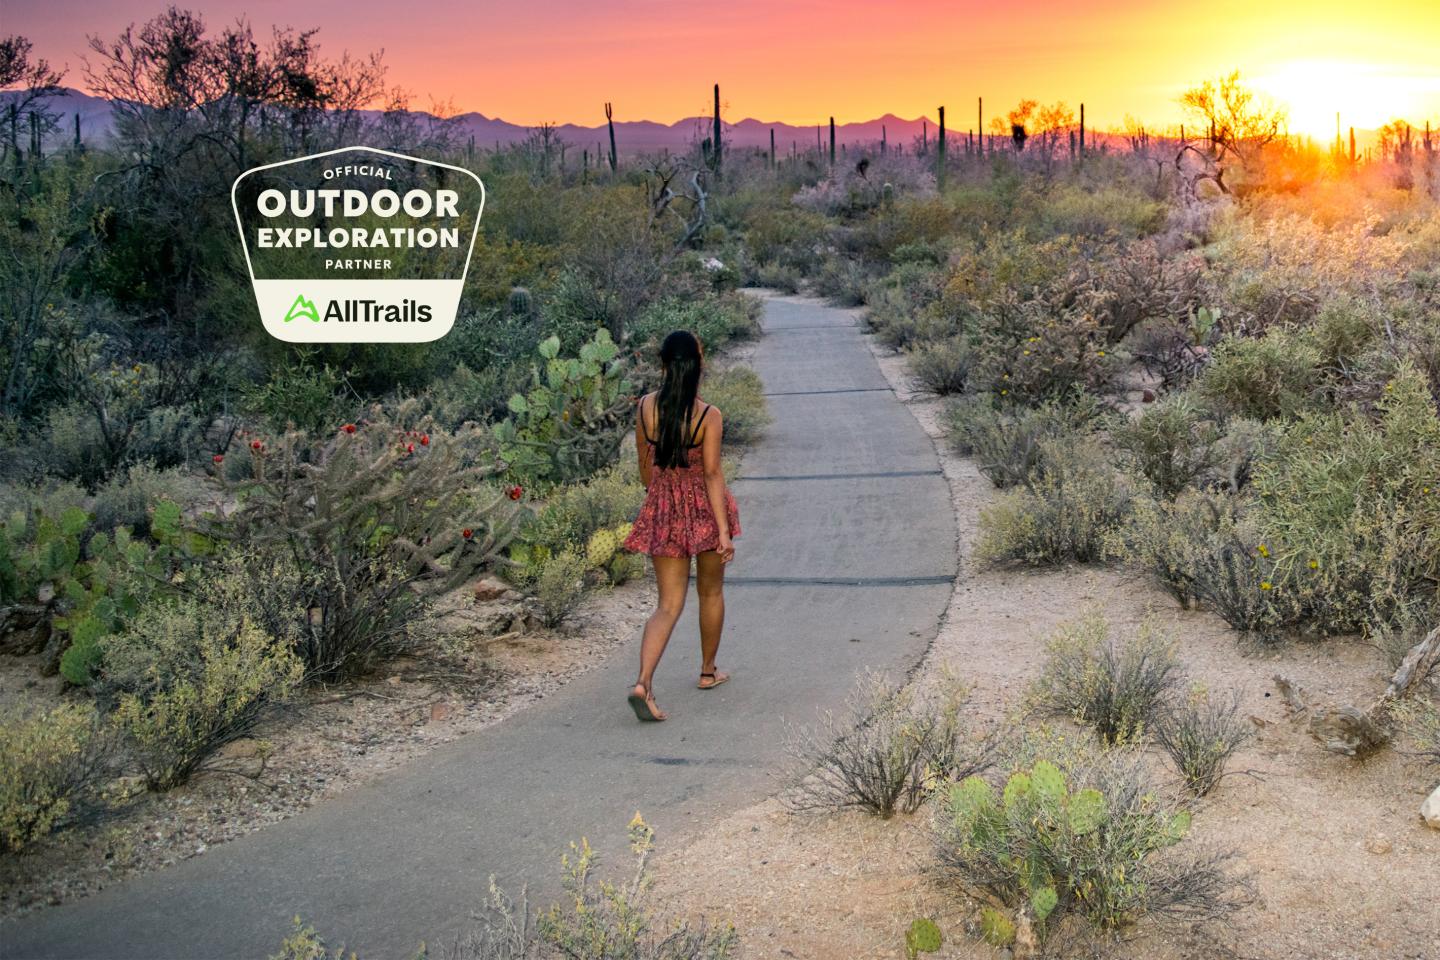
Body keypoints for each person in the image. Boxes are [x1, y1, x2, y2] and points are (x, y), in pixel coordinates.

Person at [621, 330, 741, 722]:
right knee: (710, 592)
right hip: (705, 511)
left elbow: (644, 470)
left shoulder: (644, 408)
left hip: (664, 508)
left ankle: (643, 682)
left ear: (663, 365)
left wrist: (663, 495)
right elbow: (711, 474)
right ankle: (708, 672)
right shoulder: (709, 416)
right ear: (698, 365)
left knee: (667, 605)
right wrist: (722, 531)